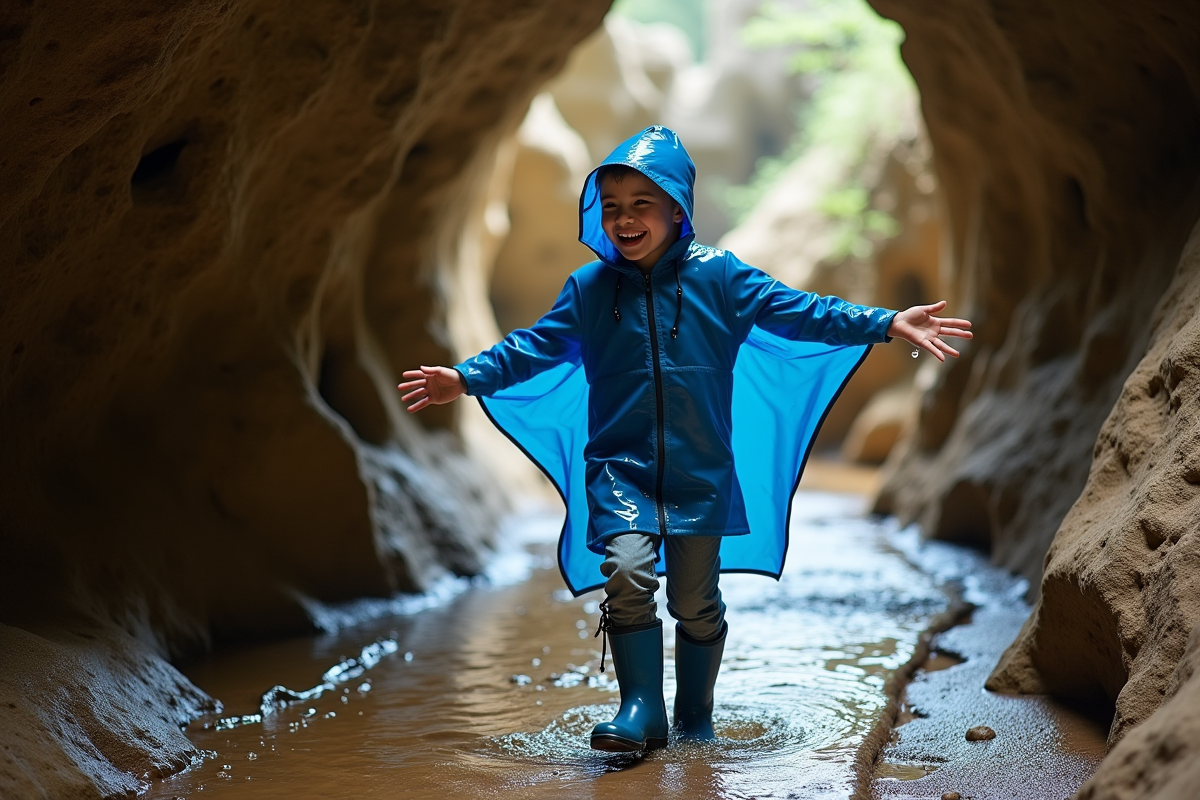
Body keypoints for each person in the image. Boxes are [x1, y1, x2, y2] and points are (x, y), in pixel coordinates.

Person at [398, 126, 971, 754]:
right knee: (625, 571)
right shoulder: (589, 291)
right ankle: (640, 708)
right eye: (611, 207)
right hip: (618, 470)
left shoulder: (720, 277)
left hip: (700, 472)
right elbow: (531, 346)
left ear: (677, 208)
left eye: (642, 203)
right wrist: (466, 376)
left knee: (695, 601)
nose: (625, 219)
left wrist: (886, 322)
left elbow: (803, 310)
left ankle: (694, 711)